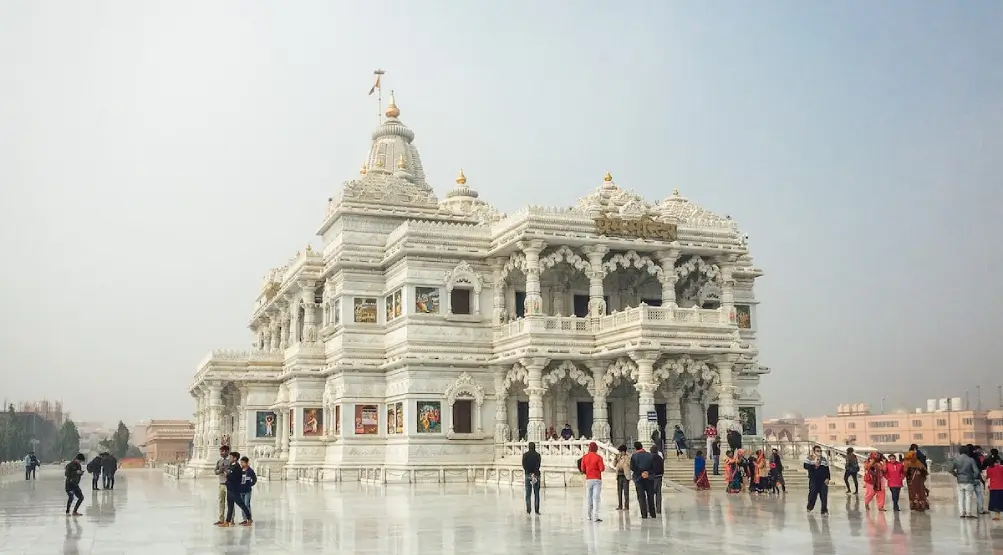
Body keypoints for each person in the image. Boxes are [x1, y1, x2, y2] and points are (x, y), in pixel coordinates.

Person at [219, 451, 252, 527]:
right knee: (230, 506)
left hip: (235, 490)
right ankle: (227, 522)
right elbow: (230, 475)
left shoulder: (237, 467)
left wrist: (227, 474)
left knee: (242, 505)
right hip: (229, 489)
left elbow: (235, 478)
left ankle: (249, 519)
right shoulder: (231, 466)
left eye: (231, 457)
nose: (229, 458)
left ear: (235, 458)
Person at [951, 445, 981, 518]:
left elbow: (950, 469)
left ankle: (961, 513)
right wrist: (973, 477)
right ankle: (968, 513)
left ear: (960, 451)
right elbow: (976, 471)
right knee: (968, 497)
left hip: (960, 481)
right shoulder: (970, 460)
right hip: (969, 481)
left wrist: (956, 475)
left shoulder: (956, 460)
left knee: (960, 497)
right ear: (967, 451)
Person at [629, 441, 657, 518]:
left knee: (641, 497)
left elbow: (632, 467)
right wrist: (647, 472)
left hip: (639, 478)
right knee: (650, 496)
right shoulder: (650, 455)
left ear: (635, 448)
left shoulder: (634, 456)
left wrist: (641, 473)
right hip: (649, 477)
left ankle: (644, 514)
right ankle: (652, 513)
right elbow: (654, 467)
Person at [579, 441, 605, 522]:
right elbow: (602, 469)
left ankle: (588, 516)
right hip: (597, 479)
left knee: (589, 498)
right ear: (596, 448)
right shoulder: (599, 457)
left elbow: (582, 469)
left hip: (588, 479)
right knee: (596, 498)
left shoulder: (585, 457)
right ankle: (595, 516)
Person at [804, 445, 830, 515]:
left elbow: (827, 469)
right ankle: (809, 507)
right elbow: (805, 466)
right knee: (812, 494)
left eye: (820, 451)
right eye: (817, 451)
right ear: (814, 451)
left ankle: (824, 510)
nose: (819, 452)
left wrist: (828, 478)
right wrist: (814, 464)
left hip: (823, 481)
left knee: (824, 496)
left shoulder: (824, 459)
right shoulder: (809, 458)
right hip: (814, 480)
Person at [521, 442, 542, 515]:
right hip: (536, 475)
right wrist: (534, 473)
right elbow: (538, 465)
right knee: (536, 493)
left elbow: (524, 465)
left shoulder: (525, 455)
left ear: (528, 447)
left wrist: (529, 471)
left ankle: (528, 510)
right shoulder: (538, 455)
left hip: (528, 475)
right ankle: (536, 510)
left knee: (528, 494)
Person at [213, 445, 231, 525]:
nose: (221, 453)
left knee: (230, 502)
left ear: (227, 451)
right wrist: (220, 470)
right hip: (221, 484)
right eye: (220, 451)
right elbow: (215, 471)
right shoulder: (219, 461)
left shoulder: (230, 461)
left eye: (223, 451)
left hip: (229, 484)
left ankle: (230, 520)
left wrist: (226, 471)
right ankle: (221, 519)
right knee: (221, 502)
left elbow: (232, 471)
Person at [238, 456, 257, 522]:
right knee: (242, 505)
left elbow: (254, 479)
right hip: (240, 490)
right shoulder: (239, 471)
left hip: (247, 491)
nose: (241, 464)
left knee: (246, 504)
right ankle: (244, 519)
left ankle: (249, 518)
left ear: (246, 463)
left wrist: (250, 485)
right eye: (241, 462)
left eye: (242, 462)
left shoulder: (250, 471)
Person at [613, 445, 631, 511]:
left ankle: (626, 506)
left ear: (623, 451)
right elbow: (614, 465)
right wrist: (615, 459)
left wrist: (625, 457)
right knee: (619, 492)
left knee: (626, 492)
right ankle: (620, 505)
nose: (619, 452)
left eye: (620, 451)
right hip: (619, 476)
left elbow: (630, 464)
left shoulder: (628, 457)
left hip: (625, 476)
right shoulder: (618, 457)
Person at [986, 449, 1003, 520]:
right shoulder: (1002, 468)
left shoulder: (989, 469)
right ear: (998, 461)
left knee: (995, 502)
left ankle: (997, 516)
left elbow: (987, 477)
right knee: (1001, 501)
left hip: (993, 487)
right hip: (1001, 487)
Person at [650, 445, 664, 514]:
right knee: (658, 494)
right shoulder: (660, 458)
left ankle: (651, 509)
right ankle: (659, 509)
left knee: (650, 493)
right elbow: (662, 467)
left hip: (652, 477)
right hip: (659, 476)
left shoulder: (649, 458)